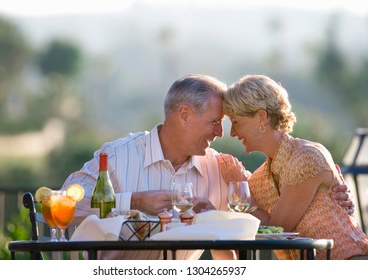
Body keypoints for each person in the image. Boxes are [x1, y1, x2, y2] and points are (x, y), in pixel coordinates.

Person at [61, 73, 354, 260]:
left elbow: (262, 209)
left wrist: (333, 191)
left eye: (227, 123)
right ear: (185, 115)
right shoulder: (117, 156)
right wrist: (133, 201)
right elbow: (63, 204)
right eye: (215, 122)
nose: (221, 134)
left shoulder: (220, 168)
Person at [218, 74, 368, 260]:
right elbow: (261, 225)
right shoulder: (260, 177)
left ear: (261, 117)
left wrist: (239, 183)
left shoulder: (306, 156)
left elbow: (278, 231)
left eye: (236, 122)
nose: (232, 133)